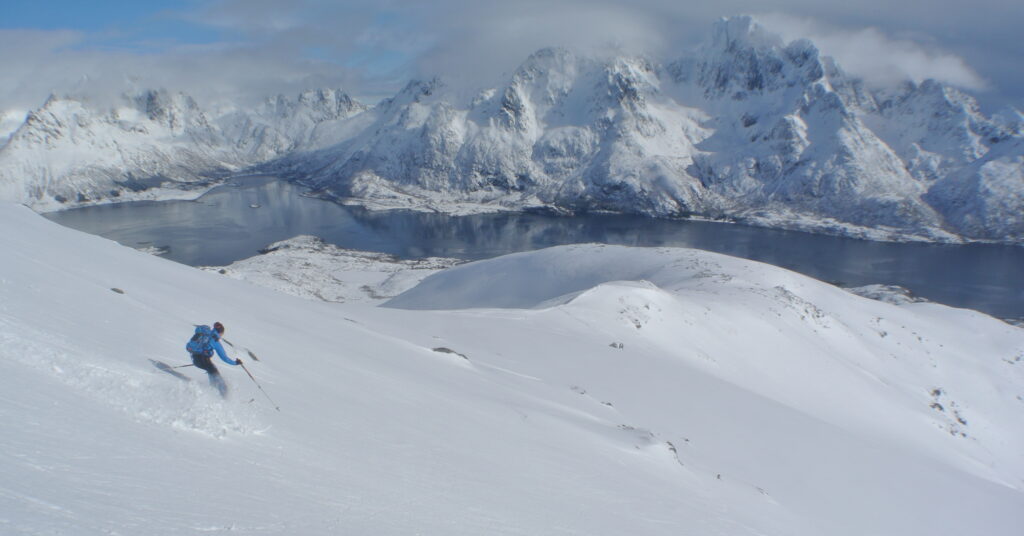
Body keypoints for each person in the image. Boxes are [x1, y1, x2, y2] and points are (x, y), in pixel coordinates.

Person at [188, 321, 241, 397]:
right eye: (222, 334)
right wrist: (236, 363)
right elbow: (224, 358)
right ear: (220, 333)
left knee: (211, 371)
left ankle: (212, 390)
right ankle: (224, 396)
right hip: (203, 360)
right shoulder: (215, 341)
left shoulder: (205, 334)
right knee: (216, 375)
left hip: (194, 358)